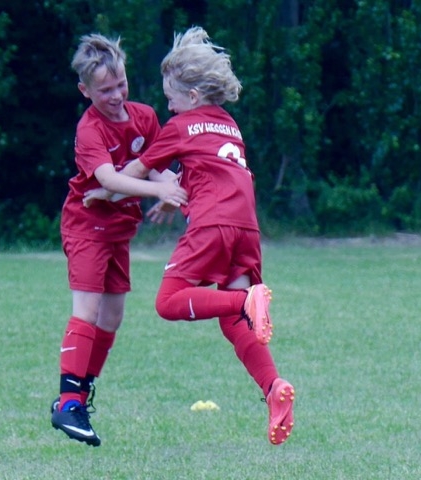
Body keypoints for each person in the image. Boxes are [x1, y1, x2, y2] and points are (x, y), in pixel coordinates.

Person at [83, 26, 295, 445]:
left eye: (171, 99)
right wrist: (173, 198)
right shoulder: (230, 125)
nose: (168, 106)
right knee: (235, 323)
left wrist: (104, 191)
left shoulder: (180, 126)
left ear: (193, 97)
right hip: (247, 228)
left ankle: (245, 300)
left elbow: (137, 171)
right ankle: (274, 388)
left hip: (213, 225)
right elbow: (212, 173)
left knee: (168, 302)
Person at [50, 33, 188, 447]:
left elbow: (157, 167)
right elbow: (108, 179)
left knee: (111, 319)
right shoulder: (89, 129)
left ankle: (80, 394)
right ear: (85, 91)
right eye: (104, 90)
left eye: (120, 85)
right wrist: (158, 189)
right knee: (87, 311)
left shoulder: (144, 117)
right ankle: (67, 404)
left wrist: (175, 191)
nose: (115, 96)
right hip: (86, 225)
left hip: (118, 231)